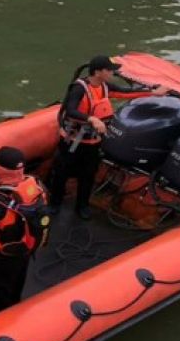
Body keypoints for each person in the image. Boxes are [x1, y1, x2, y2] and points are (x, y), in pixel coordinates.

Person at [49, 55, 164, 219]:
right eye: (109, 70)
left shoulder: (104, 86)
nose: (112, 73)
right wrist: (92, 119)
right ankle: (54, 204)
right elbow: (70, 109)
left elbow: (125, 92)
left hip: (92, 142)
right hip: (72, 141)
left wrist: (153, 93)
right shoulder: (79, 88)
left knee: (88, 174)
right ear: (97, 72)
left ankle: (82, 206)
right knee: (62, 172)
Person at [0, 146, 50, 316]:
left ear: (0, 169)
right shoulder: (34, 185)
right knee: (13, 289)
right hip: (22, 252)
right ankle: (11, 313)